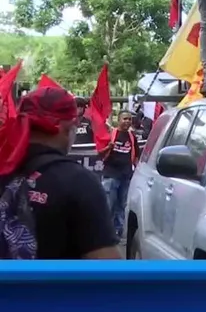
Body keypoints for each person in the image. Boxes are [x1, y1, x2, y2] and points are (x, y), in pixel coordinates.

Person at [0, 87, 119, 259]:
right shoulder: (79, 182)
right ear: (65, 126)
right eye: (75, 123)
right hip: (52, 286)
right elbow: (109, 270)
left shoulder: (5, 167)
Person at [98, 110, 140, 240]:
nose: (127, 121)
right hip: (111, 175)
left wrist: (137, 170)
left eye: (129, 119)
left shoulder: (132, 137)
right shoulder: (111, 134)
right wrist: (108, 147)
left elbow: (136, 155)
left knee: (121, 205)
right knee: (109, 205)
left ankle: (118, 232)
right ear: (119, 120)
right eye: (125, 119)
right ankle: (105, 233)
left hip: (126, 176)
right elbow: (99, 153)